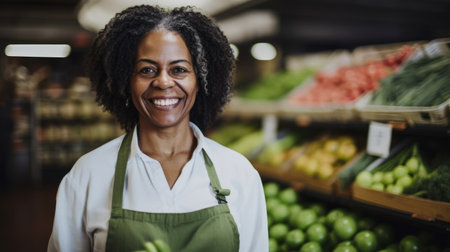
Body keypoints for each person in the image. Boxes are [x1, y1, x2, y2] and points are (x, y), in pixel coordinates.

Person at [47, 5, 268, 252]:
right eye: (147, 70)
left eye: (179, 70)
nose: (163, 81)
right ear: (126, 82)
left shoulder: (238, 174)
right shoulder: (88, 175)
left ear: (201, 82)